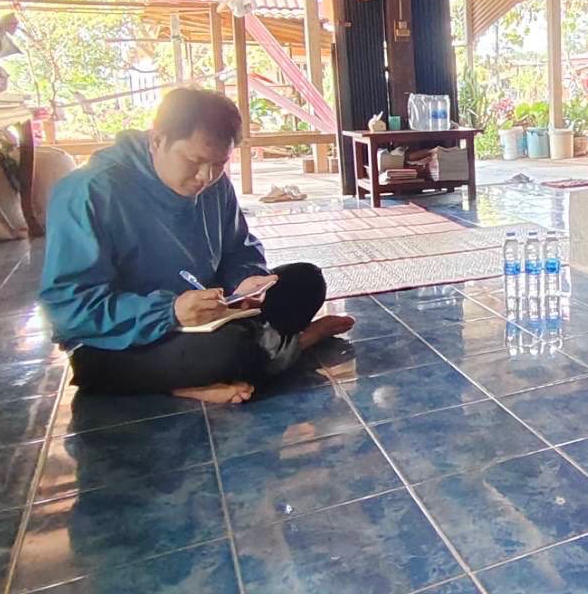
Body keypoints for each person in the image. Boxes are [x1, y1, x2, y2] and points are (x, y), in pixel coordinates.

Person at [40, 87, 353, 405]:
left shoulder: (215, 184)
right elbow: (71, 309)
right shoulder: (90, 191)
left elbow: (238, 248)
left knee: (305, 280)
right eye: (195, 160)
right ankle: (294, 344)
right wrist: (170, 312)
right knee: (230, 349)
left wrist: (245, 280)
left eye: (219, 163)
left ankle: (252, 358)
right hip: (118, 342)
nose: (206, 176)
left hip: (209, 316)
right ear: (157, 140)